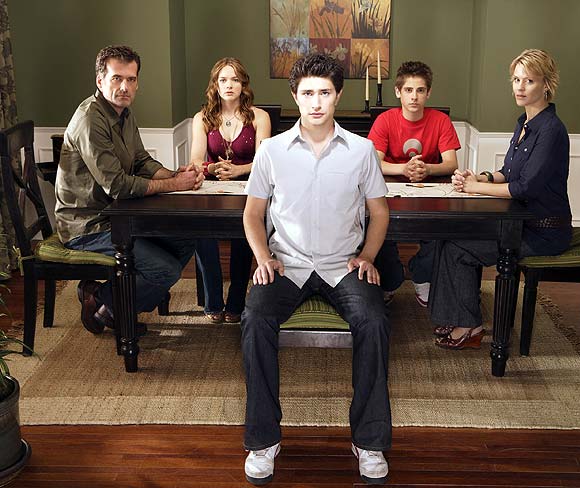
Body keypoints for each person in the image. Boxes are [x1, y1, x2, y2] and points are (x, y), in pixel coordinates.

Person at [241, 53, 391, 485]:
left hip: (343, 266)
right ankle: (263, 441)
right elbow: (253, 214)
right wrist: (263, 258)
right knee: (254, 319)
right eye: (307, 93)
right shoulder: (271, 151)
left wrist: (367, 256)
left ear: (338, 95)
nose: (316, 102)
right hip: (286, 265)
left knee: (375, 320)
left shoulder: (362, 151)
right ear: (295, 96)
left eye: (324, 92)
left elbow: (379, 213)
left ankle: (369, 442)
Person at [55, 45, 204, 335]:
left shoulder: (123, 113)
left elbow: (141, 160)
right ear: (100, 81)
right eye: (117, 78)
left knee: (186, 238)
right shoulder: (90, 120)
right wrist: (174, 185)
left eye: (131, 79)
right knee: (165, 270)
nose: (124, 87)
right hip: (87, 225)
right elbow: (118, 186)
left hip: (118, 216)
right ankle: (103, 301)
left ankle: (112, 304)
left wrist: (175, 174)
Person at [433, 48, 571, 350]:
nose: (520, 87)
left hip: (544, 231)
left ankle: (469, 327)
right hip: (518, 222)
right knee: (449, 236)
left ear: (546, 84)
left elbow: (523, 188)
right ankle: (457, 316)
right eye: (516, 80)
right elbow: (508, 172)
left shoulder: (551, 130)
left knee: (458, 248)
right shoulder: (525, 123)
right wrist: (481, 177)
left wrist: (474, 188)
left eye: (529, 81)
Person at [368, 61, 460, 306]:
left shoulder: (440, 120)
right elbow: (374, 162)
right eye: (408, 90)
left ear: (428, 93)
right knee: (379, 229)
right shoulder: (385, 120)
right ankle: (390, 280)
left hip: (429, 191)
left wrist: (427, 168)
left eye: (420, 90)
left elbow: (451, 163)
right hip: (390, 191)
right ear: (398, 92)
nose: (414, 97)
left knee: (440, 232)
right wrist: (403, 169)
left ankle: (421, 275)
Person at [190, 57, 271, 324]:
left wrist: (239, 170)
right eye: (223, 80)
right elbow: (195, 161)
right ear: (215, 84)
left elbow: (264, 162)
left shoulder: (259, 117)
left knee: (244, 233)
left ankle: (236, 301)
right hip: (212, 190)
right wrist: (211, 168)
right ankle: (213, 301)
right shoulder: (202, 118)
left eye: (235, 79)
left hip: (249, 189)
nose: (229, 85)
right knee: (202, 235)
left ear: (243, 84)